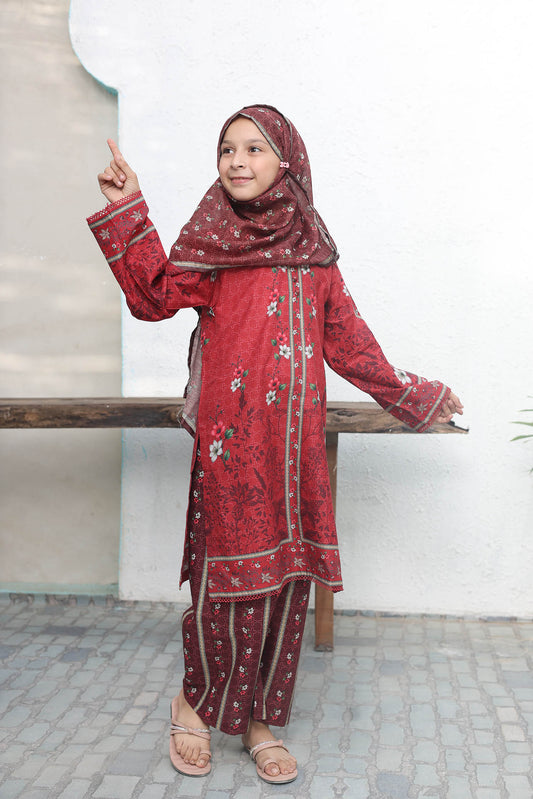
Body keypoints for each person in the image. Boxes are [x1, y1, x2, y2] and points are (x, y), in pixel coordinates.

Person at [87, 104, 463, 784]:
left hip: (292, 454)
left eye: (253, 149)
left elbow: (349, 344)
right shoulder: (214, 243)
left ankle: (260, 718)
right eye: (226, 148)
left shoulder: (313, 252)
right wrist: (127, 207)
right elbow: (151, 295)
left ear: (284, 161)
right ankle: (195, 703)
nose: (236, 160)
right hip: (232, 453)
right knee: (223, 584)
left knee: (286, 582)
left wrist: (415, 393)